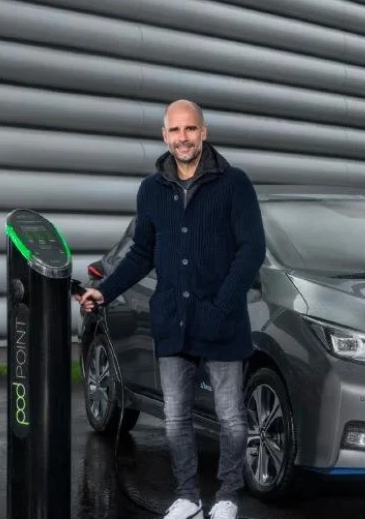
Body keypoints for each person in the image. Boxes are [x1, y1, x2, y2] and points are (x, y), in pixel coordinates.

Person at [76, 99, 266, 519]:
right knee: (176, 416)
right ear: (165, 136)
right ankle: (188, 498)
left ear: (204, 132)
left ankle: (228, 497)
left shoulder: (235, 184)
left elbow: (252, 250)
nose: (183, 138)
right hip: (171, 319)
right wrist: (104, 291)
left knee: (231, 416)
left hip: (221, 319)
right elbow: (142, 252)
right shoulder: (151, 190)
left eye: (190, 129)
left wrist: (223, 304)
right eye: (175, 131)